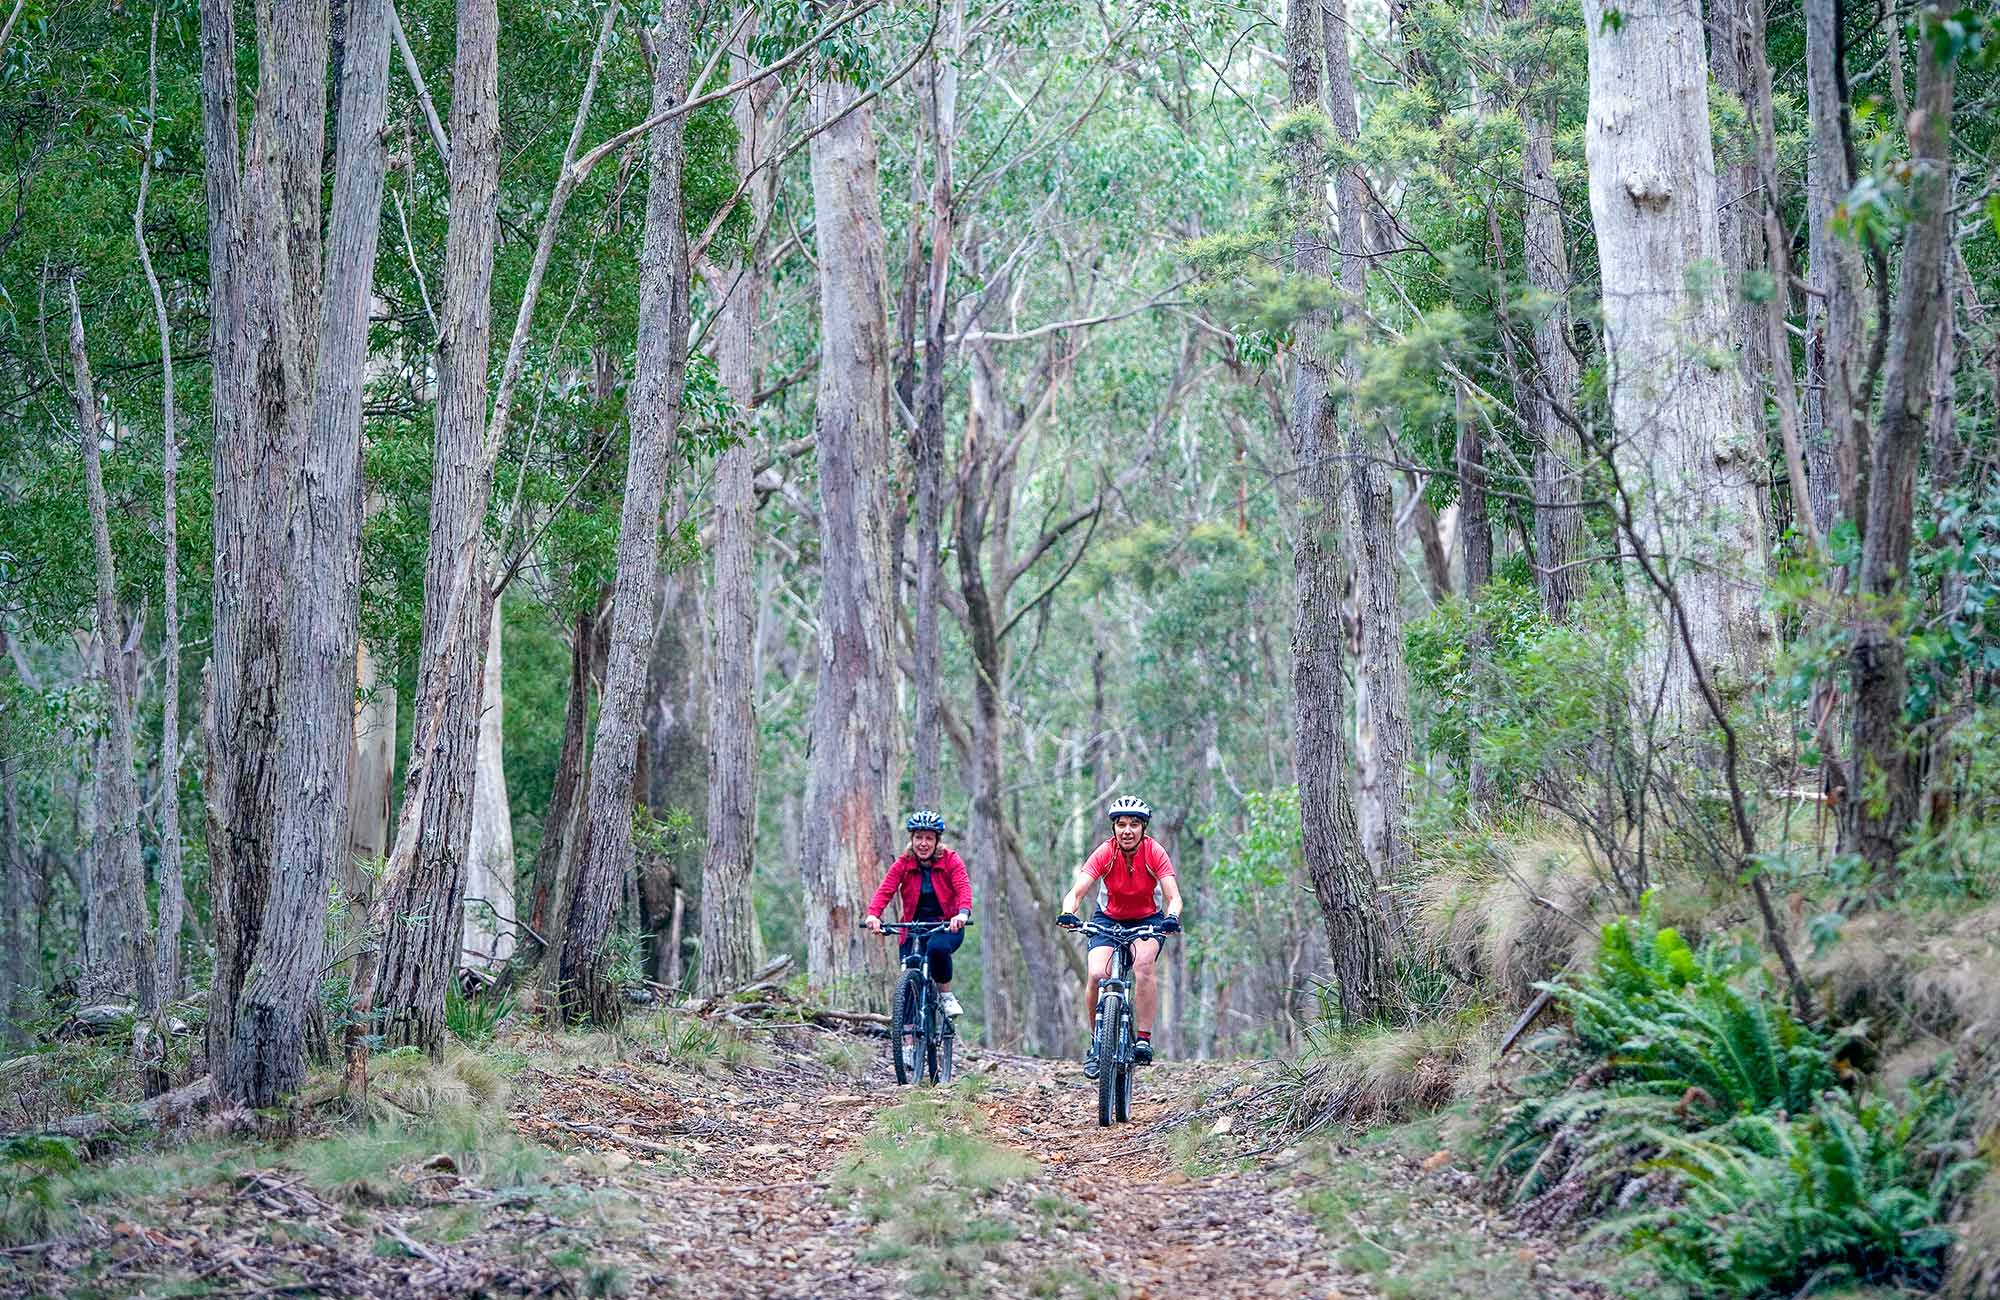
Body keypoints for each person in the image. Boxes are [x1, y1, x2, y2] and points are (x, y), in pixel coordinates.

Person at [1056, 795, 1182, 1077]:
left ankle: (1143, 1039)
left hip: (1147, 919)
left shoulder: (1154, 852)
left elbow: (1174, 897)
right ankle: (1096, 1043)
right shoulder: (1105, 852)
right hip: (1108, 919)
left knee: (1143, 967)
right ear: (1113, 828)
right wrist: (1068, 912)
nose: (1127, 830)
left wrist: (1172, 918)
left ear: (1143, 828)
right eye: (1121, 824)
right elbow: (1077, 892)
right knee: (1096, 974)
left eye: (1134, 824)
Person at [864, 810, 973, 1018]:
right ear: (912, 839)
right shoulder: (904, 863)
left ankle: (946, 995)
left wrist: (962, 914)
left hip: (947, 925)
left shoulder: (951, 860)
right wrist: (873, 915)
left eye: (929, 838)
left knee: (937, 948)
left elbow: (963, 888)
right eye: (918, 837)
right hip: (913, 926)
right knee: (910, 974)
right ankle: (907, 1041)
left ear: (937, 841)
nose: (923, 843)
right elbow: (886, 890)